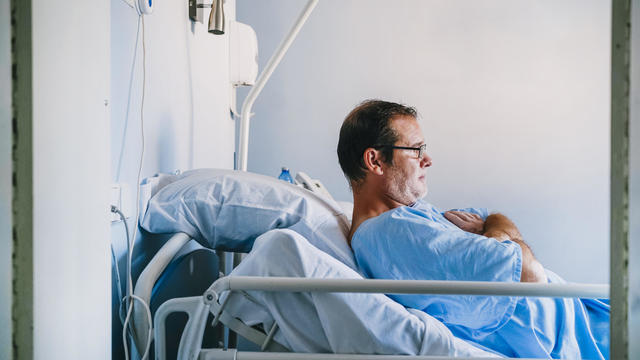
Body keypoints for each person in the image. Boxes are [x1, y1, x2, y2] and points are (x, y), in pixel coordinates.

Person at [337, 99, 610, 359]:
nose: (428, 159)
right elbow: (529, 274)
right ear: (375, 161)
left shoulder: (409, 213)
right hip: (579, 340)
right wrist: (497, 233)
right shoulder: (392, 236)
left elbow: (494, 217)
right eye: (416, 149)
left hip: (583, 317)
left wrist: (496, 231)